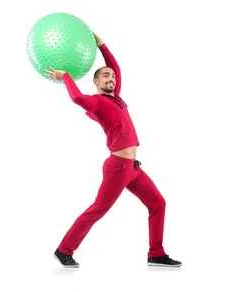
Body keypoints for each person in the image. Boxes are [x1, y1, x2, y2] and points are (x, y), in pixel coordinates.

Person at [45, 33, 182, 268]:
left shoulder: (117, 98)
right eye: (106, 76)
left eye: (113, 77)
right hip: (117, 168)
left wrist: (102, 45)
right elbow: (77, 98)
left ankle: (156, 253)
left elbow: (115, 65)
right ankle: (63, 249)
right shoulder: (97, 102)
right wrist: (65, 76)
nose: (112, 78)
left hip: (133, 169)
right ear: (96, 82)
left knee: (158, 203)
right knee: (98, 209)